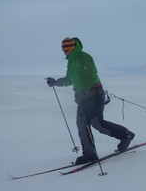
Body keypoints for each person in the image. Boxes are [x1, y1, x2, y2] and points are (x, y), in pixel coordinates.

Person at [46, 37, 135, 165]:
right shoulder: (71, 62)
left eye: (66, 48)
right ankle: (89, 154)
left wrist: (83, 92)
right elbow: (69, 79)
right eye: (63, 48)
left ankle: (126, 135)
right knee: (81, 124)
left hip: (94, 95)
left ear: (72, 47)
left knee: (97, 123)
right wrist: (55, 82)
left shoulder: (84, 57)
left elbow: (90, 75)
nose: (64, 51)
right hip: (83, 99)